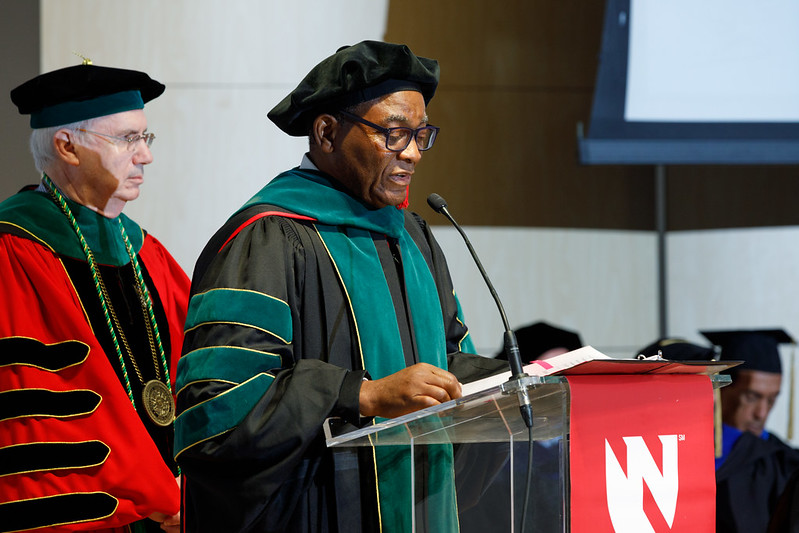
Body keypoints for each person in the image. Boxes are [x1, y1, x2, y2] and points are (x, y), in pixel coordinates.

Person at [173, 40, 508, 533]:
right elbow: (218, 411)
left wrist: (520, 381)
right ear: (327, 132)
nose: (413, 153)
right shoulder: (267, 238)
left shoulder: (414, 237)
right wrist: (363, 395)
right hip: (315, 512)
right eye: (394, 133)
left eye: (421, 134)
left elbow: (444, 361)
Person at [0, 60, 189, 532]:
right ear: (67, 146)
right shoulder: (15, 251)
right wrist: (158, 495)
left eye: (146, 138)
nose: (144, 156)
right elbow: (43, 414)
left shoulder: (148, 253)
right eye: (127, 139)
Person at [699, 329, 799, 533]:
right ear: (722, 387)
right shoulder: (684, 445)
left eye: (771, 400)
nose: (762, 413)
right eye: (752, 397)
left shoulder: (784, 462)